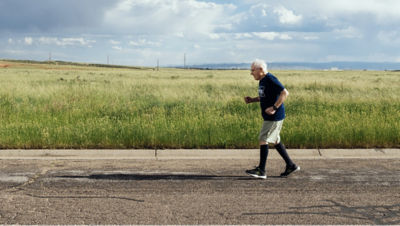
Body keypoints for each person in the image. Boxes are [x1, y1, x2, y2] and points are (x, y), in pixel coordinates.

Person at [244, 59, 300, 179]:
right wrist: (252, 100)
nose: (251, 73)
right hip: (271, 116)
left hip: (274, 116)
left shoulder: (270, 79)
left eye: (253, 70)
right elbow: (265, 96)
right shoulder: (263, 80)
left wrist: (274, 107)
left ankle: (261, 170)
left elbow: (285, 93)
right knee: (275, 141)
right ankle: (291, 165)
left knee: (263, 138)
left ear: (261, 70)